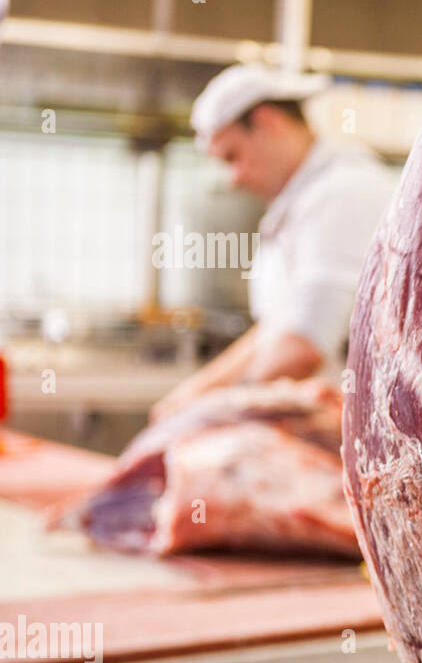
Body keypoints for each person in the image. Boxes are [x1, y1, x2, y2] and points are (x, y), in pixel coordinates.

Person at [151, 63, 394, 422]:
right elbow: (275, 328)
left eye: (233, 156)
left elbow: (302, 348)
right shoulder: (303, 202)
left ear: (267, 122)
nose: (233, 179)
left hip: (349, 437)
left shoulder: (342, 193)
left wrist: (217, 412)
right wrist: (191, 394)